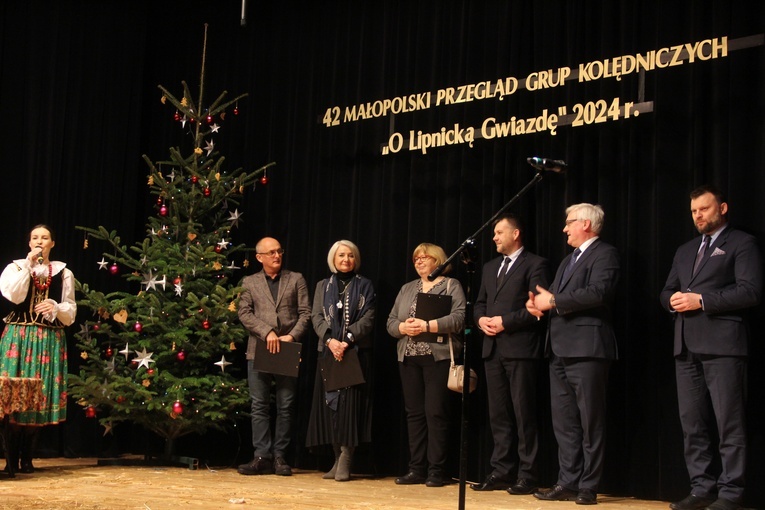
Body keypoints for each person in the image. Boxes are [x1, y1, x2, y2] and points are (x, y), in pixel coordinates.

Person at [659, 185, 762, 510]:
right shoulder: (685, 249)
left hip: (723, 347)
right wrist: (672, 301)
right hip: (686, 346)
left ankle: (731, 492)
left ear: (723, 208)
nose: (698, 216)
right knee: (693, 424)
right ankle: (701, 487)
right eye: (693, 211)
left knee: (729, 423)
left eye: (703, 209)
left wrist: (701, 300)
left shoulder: (743, 243)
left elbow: (750, 292)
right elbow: (667, 290)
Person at [526, 203, 620, 506]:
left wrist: (552, 300)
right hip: (559, 350)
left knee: (591, 420)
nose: (564, 228)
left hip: (588, 349)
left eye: (569, 223)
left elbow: (598, 292)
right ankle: (567, 481)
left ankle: (588, 486)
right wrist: (537, 305)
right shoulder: (568, 260)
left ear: (586, 225)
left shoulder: (605, 253)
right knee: (564, 422)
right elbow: (553, 298)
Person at [472, 214, 549, 495]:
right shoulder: (490, 267)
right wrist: (481, 320)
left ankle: (528, 474)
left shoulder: (536, 264)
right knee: (499, 414)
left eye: (499, 232)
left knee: (523, 412)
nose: (494, 237)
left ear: (516, 234)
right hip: (492, 349)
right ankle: (502, 470)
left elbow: (536, 307)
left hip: (520, 348)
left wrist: (505, 321)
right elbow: (479, 303)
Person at [386, 243, 466, 488]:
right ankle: (416, 469)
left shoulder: (451, 285)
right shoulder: (407, 288)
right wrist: (402, 328)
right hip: (408, 357)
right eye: (416, 258)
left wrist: (427, 326)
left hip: (437, 357)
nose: (419, 261)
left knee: (435, 413)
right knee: (415, 415)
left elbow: (460, 318)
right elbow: (390, 322)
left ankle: (436, 470)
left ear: (439, 260)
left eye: (425, 257)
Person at [0, 225, 76, 474]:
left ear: (52, 243)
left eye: (44, 238)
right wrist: (28, 266)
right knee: (13, 394)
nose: (39, 241)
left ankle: (27, 458)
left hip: (48, 339)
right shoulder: (16, 267)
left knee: (38, 397)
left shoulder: (64, 273)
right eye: (35, 237)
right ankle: (10, 459)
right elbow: (14, 295)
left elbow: (70, 312)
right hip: (19, 337)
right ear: (29, 242)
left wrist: (56, 307)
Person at [236, 237, 311, 476]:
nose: (277, 256)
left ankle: (280, 457)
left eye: (279, 251)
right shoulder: (249, 282)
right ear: (260, 257)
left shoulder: (296, 278)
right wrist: (266, 331)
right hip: (259, 348)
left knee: (285, 405)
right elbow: (244, 313)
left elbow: (305, 313)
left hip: (287, 348)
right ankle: (262, 456)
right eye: (271, 253)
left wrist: (292, 336)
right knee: (259, 405)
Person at [306, 240, 375, 482]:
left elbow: (369, 317)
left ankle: (347, 457)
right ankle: (336, 458)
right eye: (341, 255)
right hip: (328, 352)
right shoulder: (322, 286)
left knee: (350, 408)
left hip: (354, 353)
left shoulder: (365, 285)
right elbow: (315, 316)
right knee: (329, 408)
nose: (346, 259)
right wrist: (330, 341)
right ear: (333, 259)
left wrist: (346, 340)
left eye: (350, 256)